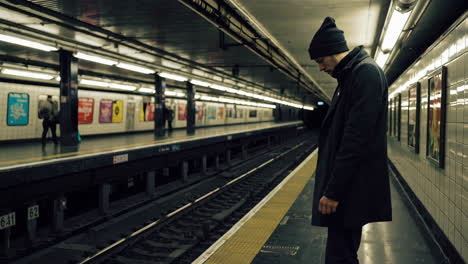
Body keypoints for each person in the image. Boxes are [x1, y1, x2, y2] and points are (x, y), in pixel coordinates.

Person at [308, 17, 391, 264]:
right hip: (349, 188)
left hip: (349, 190)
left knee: (340, 257)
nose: (321, 68)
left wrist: (333, 191)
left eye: (321, 61)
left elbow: (355, 139)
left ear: (333, 52)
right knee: (340, 254)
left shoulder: (364, 73)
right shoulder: (350, 76)